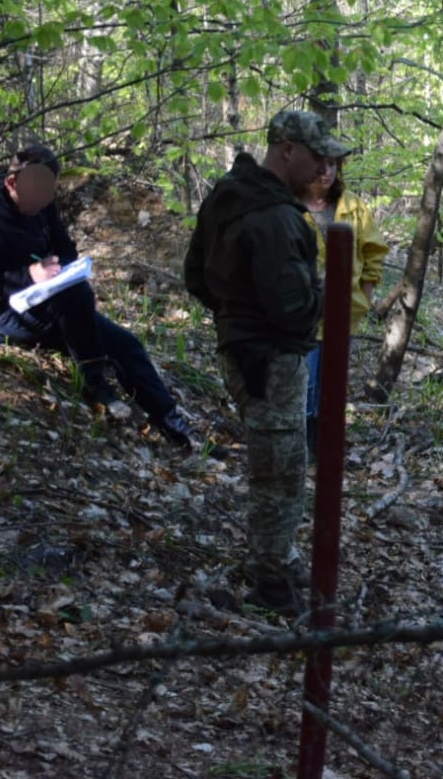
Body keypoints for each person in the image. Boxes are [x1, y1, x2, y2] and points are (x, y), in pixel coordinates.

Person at [184, 110, 346, 616]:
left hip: (244, 349)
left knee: (278, 465)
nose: (324, 168)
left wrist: (236, 312)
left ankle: (283, 560)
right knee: (280, 473)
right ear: (286, 150)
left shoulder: (229, 196)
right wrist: (323, 294)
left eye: (328, 159)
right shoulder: (274, 217)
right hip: (270, 359)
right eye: (317, 156)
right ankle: (271, 581)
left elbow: (197, 277)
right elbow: (294, 309)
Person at [0, 144, 209, 453]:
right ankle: (94, 381)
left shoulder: (40, 201)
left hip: (49, 306)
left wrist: (58, 267)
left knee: (127, 345)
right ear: (11, 183)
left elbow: (65, 248)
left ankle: (180, 433)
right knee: (77, 296)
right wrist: (27, 276)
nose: (42, 204)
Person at [300, 153, 389, 458]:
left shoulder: (352, 206)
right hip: (304, 314)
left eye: (332, 165)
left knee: (333, 382)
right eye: (319, 163)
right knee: (307, 382)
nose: (325, 172)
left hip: (344, 312)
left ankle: (327, 444)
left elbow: (373, 250)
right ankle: (308, 445)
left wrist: (365, 294)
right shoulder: (291, 205)